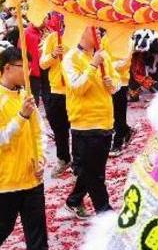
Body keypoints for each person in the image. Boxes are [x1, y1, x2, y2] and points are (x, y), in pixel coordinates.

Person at [0, 46, 48, 250]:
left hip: (32, 175)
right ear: (7, 68)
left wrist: (41, 157)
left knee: (37, 234)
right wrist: (21, 117)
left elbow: (38, 130)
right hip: (7, 179)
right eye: (22, 67)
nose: (27, 72)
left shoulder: (24, 96)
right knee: (1, 228)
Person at [60, 26, 119, 218]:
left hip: (105, 120)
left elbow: (115, 83)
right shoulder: (70, 58)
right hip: (84, 123)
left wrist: (113, 85)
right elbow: (77, 87)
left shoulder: (104, 56)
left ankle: (74, 200)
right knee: (95, 173)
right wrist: (93, 66)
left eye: (101, 31)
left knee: (92, 169)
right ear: (83, 32)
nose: (100, 34)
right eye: (95, 30)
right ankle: (104, 212)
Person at [39, 13, 71, 176]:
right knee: (60, 128)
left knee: (78, 129)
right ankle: (64, 158)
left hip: (75, 90)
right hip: (57, 91)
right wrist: (53, 55)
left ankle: (79, 162)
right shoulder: (52, 38)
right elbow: (43, 64)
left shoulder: (79, 36)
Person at [24, 17, 44, 106]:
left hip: (44, 68)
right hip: (32, 70)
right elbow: (21, 52)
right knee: (33, 96)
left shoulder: (44, 32)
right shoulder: (26, 33)